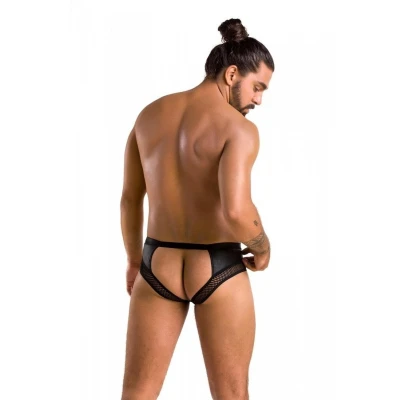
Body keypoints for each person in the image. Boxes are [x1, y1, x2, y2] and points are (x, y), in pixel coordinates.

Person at [120, 18, 274, 400]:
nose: (258, 100)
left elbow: (130, 198)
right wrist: (262, 247)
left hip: (157, 262)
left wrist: (134, 261)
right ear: (232, 74)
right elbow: (237, 211)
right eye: (257, 87)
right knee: (231, 394)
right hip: (218, 264)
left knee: (137, 392)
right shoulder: (239, 129)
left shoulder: (148, 116)